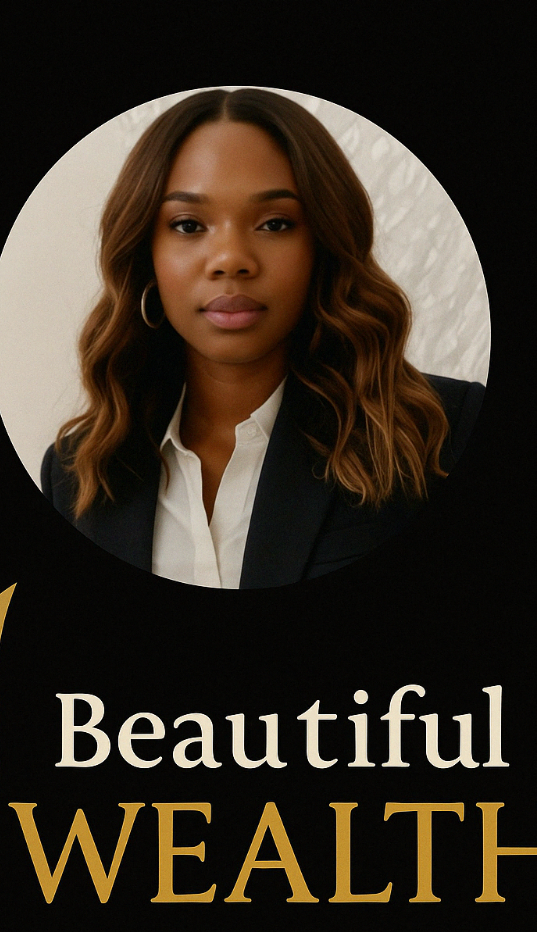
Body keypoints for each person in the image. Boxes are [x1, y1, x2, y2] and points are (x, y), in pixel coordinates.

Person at [41, 88, 485, 589]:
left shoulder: (440, 432)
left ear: (323, 243)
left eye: (275, 223)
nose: (231, 258)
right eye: (188, 225)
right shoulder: (76, 474)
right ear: (146, 255)